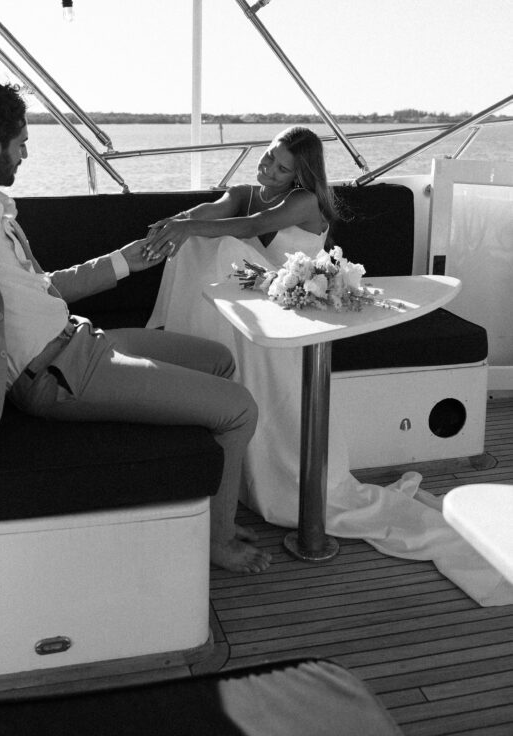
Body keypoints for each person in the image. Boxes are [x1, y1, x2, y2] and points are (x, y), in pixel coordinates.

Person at [0, 74, 271, 576]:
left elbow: (42, 288)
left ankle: (209, 497)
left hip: (83, 339)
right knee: (240, 409)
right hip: (58, 376)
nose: (25, 155)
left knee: (220, 359)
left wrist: (125, 261)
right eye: (21, 143)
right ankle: (218, 536)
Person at [144, 127, 513, 606]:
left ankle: (294, 484)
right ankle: (251, 471)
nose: (268, 170)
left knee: (222, 249)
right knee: (201, 244)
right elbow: (208, 214)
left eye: (281, 167)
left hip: (302, 317)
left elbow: (252, 228)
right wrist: (175, 224)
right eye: (267, 159)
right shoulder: (246, 192)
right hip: (265, 314)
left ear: (302, 173)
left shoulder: (303, 203)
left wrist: (190, 229)